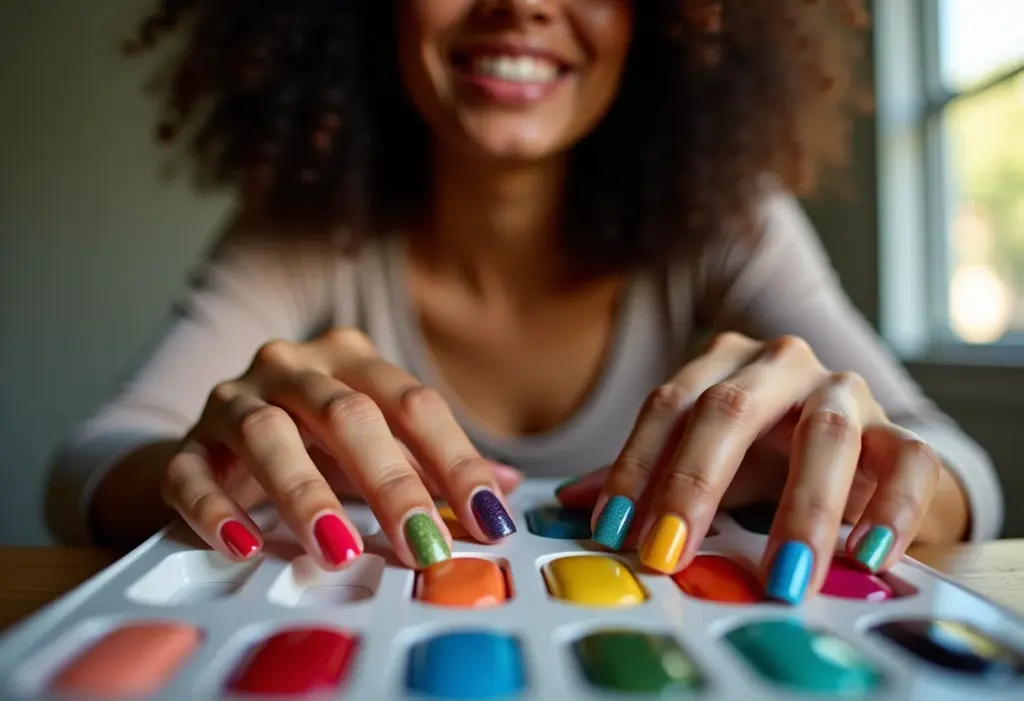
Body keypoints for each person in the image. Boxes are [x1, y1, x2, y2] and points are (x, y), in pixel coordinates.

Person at [48, 0, 1001, 605]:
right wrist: (201, 460)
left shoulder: (732, 217)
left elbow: (957, 468)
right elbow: (86, 465)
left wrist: (884, 471)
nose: (520, 6)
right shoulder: (300, 231)